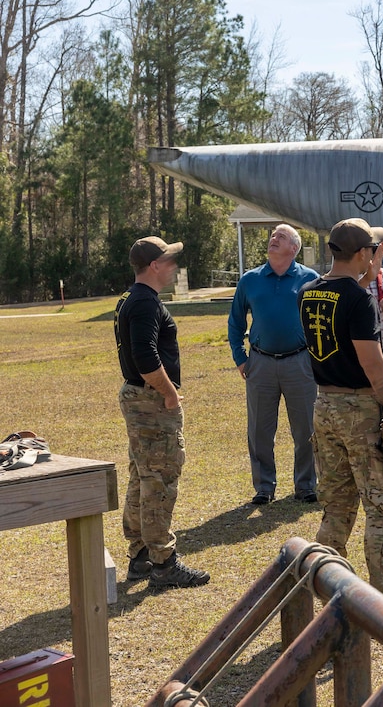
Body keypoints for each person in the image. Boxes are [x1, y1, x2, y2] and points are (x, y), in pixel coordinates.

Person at [298, 218, 383, 617]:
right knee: (382, 507)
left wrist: (366, 274)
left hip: (324, 408)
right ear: (362, 253)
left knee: (336, 508)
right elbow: (374, 365)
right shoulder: (358, 299)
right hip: (360, 411)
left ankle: (324, 593)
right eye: (373, 250)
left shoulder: (308, 292)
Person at [115, 236, 210, 589]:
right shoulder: (143, 303)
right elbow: (145, 359)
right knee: (159, 480)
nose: (173, 266)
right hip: (151, 400)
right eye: (169, 260)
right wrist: (170, 394)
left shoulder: (132, 298)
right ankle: (163, 563)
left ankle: (140, 556)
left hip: (139, 399)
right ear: (154, 266)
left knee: (141, 476)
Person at [228, 224, 320, 505]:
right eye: (272, 237)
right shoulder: (250, 280)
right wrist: (240, 358)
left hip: (300, 362)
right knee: (259, 430)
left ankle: (306, 485)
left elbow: (322, 322)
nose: (273, 239)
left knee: (306, 428)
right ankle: (264, 487)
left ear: (294, 248)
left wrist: (318, 359)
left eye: (281, 237)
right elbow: (235, 322)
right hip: (260, 363)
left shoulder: (311, 279)